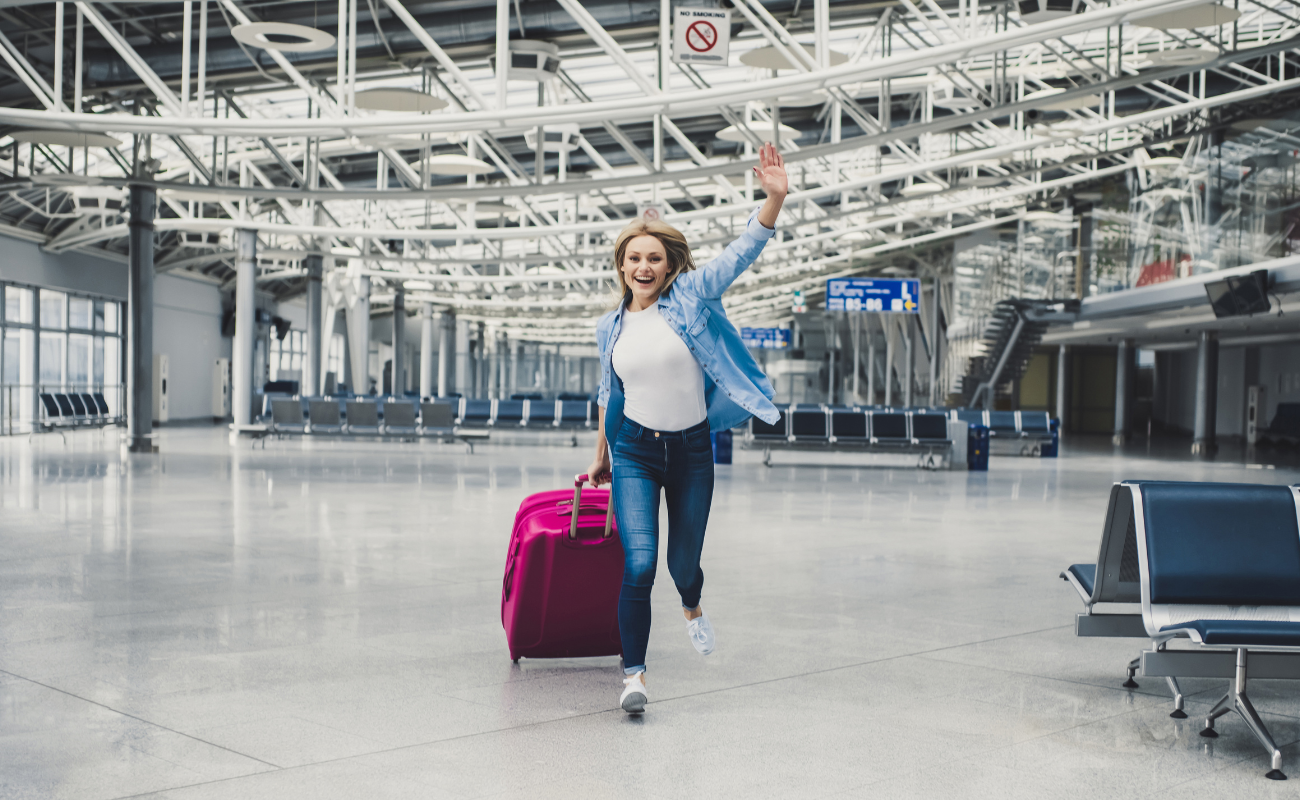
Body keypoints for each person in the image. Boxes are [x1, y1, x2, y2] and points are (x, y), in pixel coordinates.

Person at [585, 143, 788, 714]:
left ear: (670, 266)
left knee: (682, 567)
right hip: (634, 453)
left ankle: (693, 607)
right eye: (633, 259)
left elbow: (740, 253)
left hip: (694, 451)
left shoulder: (693, 297)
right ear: (621, 266)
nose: (643, 267)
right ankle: (635, 677)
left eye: (654, 259)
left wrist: (772, 200)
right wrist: (601, 452)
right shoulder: (609, 327)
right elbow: (610, 393)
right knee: (641, 563)